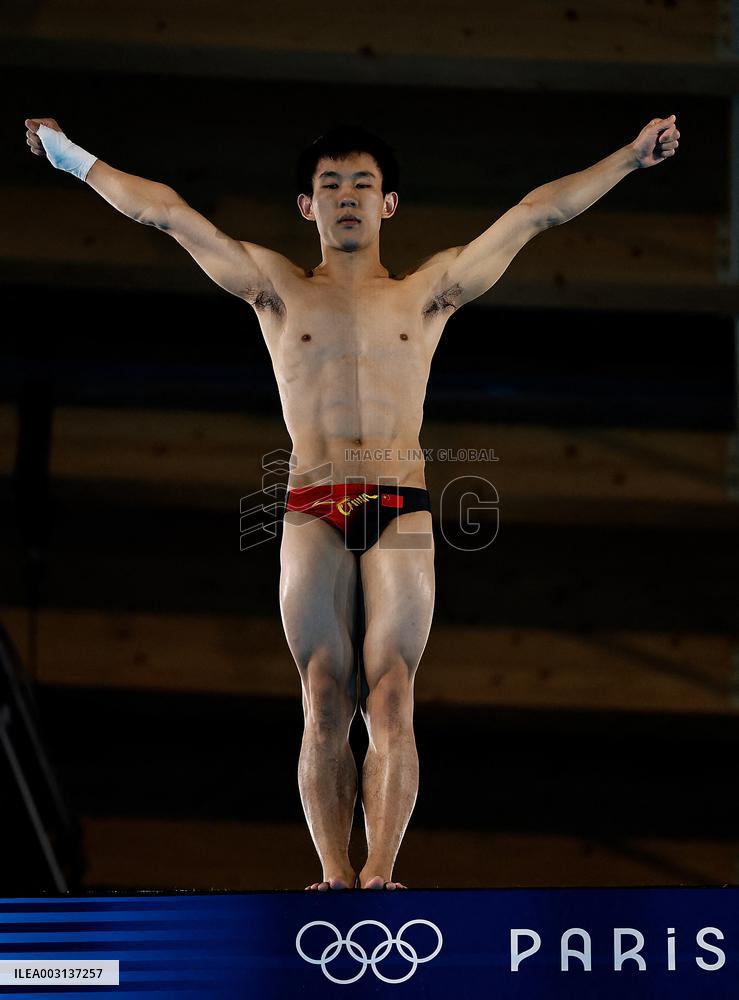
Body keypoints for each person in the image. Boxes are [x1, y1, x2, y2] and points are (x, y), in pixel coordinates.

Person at [23, 114, 680, 891]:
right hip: (310, 504)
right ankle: (332, 874)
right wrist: (70, 159)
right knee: (324, 691)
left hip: (399, 502)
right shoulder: (275, 287)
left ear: (387, 205)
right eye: (329, 185)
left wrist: (631, 159)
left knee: (393, 688)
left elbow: (537, 211)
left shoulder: (427, 292)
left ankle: (379, 873)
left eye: (361, 184)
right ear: (307, 206)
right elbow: (164, 212)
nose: (345, 197)